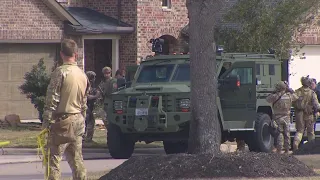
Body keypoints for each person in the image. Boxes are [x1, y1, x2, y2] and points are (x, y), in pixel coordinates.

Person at [42, 39, 89, 180]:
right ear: (76, 54)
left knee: (53, 161)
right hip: (78, 119)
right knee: (77, 160)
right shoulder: (82, 75)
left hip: (62, 122)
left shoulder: (60, 72)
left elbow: (52, 99)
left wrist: (46, 123)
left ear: (61, 54)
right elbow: (84, 102)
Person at [266, 81, 298, 154]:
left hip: (278, 117)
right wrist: (290, 89)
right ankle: (287, 149)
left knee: (279, 133)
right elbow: (296, 97)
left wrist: (273, 92)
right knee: (287, 133)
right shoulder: (289, 96)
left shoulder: (275, 96)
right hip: (287, 117)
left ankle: (279, 149)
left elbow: (267, 99)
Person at [292, 76, 320, 150]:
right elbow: (316, 105)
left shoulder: (297, 91)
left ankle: (296, 143)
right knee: (310, 132)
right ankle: (312, 148)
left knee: (300, 131)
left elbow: (292, 101)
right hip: (309, 115)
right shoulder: (312, 93)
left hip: (299, 114)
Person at [83, 71, 101, 142]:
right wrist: (95, 96)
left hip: (90, 106)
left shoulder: (92, 86)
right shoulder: (85, 85)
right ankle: (83, 138)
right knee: (86, 122)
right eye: (93, 78)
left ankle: (89, 138)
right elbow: (86, 96)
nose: (94, 79)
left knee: (91, 122)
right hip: (85, 106)